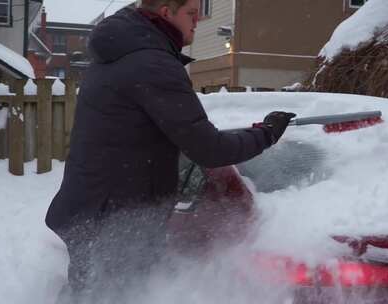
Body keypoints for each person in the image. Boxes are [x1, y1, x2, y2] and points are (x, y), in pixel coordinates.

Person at [45, 0, 296, 302]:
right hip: (118, 224)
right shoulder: (152, 64)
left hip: (93, 212)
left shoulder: (119, 54)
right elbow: (209, 149)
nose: (198, 21)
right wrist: (266, 134)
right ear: (166, 12)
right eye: (191, 12)